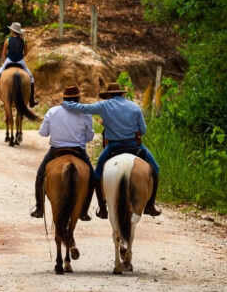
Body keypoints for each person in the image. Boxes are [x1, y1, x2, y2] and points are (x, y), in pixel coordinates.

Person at [61, 82, 161, 219]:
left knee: (97, 174)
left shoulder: (104, 105)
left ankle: (102, 208)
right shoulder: (134, 106)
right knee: (155, 169)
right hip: (135, 146)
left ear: (108, 95)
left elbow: (82, 108)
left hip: (113, 147)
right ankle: (150, 205)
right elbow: (143, 130)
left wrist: (66, 104)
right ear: (122, 94)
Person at [31, 85, 97, 221]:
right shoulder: (85, 113)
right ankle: (84, 212)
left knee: (40, 176)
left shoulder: (52, 111)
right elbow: (90, 137)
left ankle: (39, 209)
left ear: (64, 98)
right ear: (78, 98)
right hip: (78, 151)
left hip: (56, 150)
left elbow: (43, 133)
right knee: (92, 178)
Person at [0, 22, 36, 107]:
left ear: (12, 31)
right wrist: (19, 56)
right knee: (31, 79)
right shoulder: (24, 41)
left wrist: (7, 59)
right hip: (20, 61)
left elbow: (3, 54)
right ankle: (31, 100)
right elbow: (26, 53)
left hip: (9, 61)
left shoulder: (7, 40)